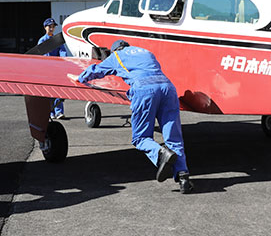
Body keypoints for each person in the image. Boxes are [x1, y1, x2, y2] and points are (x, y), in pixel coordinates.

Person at [77, 40, 192, 193]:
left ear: (115, 50)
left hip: (144, 89)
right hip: (168, 88)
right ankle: (183, 178)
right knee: (173, 137)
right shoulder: (146, 52)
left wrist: (79, 78)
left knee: (141, 138)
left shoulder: (116, 56)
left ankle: (160, 154)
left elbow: (97, 70)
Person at [38, 17, 68, 119]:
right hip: (46, 69)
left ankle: (59, 112)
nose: (51, 29)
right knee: (48, 92)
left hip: (57, 69)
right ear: (45, 27)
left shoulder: (57, 40)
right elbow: (41, 54)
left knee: (58, 90)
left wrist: (63, 62)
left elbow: (63, 52)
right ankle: (50, 112)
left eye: (53, 27)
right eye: (49, 27)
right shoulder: (42, 40)